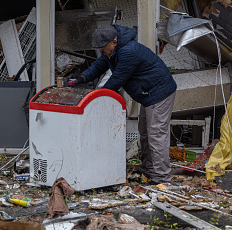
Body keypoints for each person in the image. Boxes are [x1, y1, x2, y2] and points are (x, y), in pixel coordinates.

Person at [68, 24, 177, 185]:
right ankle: (148, 169)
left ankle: (162, 178)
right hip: (148, 94)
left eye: (103, 48)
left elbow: (117, 80)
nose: (101, 52)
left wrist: (96, 98)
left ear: (114, 41)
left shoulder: (128, 52)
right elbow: (100, 65)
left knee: (156, 135)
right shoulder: (115, 49)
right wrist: (82, 78)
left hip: (159, 93)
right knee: (145, 133)